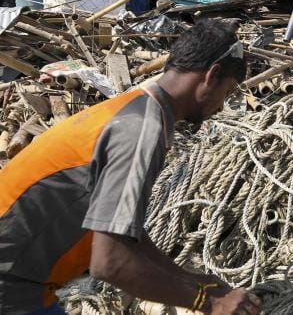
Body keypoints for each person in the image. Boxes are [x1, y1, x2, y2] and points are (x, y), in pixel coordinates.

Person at [0, 20, 261, 315]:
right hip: (11, 288)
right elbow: (110, 262)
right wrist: (209, 303)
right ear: (212, 76)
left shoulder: (133, 109)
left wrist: (194, 281)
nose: (222, 107)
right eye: (227, 93)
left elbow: (125, 234)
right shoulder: (140, 131)